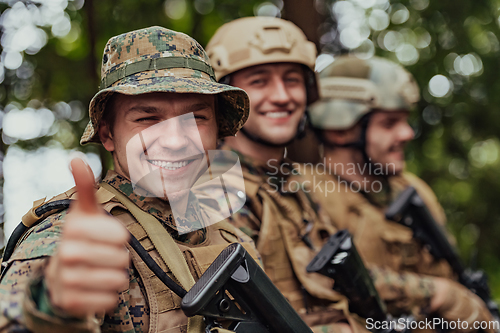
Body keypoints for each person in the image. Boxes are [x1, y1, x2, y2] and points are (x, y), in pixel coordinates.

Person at [0, 26, 259, 333]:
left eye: (196, 118)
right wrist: (51, 305)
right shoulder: (71, 234)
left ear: (216, 127)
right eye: (147, 119)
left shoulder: (224, 230)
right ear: (108, 134)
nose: (176, 140)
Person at [302, 55, 494, 331]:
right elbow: (317, 280)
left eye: (405, 121)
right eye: (389, 123)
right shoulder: (306, 192)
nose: (407, 133)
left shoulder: (412, 190)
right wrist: (439, 293)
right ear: (341, 129)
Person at [205, 17, 366, 333]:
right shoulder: (210, 182)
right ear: (227, 100)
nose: (281, 96)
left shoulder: (291, 182)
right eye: (259, 81)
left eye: (292, 80)